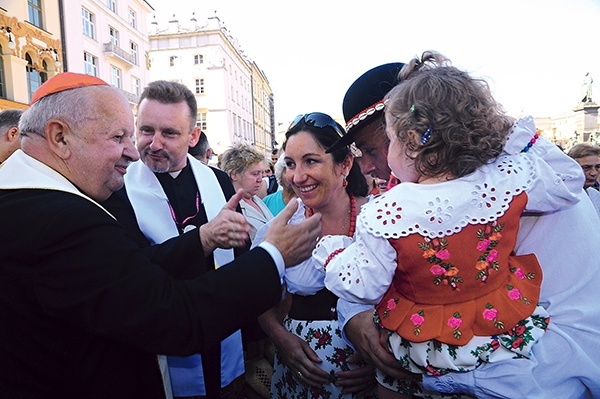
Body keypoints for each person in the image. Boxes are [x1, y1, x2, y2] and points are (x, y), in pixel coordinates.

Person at [0, 72, 322, 398]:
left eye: (168, 133)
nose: (135, 151)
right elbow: (165, 309)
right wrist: (267, 253)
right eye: (122, 136)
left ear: (192, 136)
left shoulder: (30, 200)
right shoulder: (72, 215)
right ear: (59, 137)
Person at [324, 53, 600, 398]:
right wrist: (356, 318)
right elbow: (375, 277)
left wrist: (440, 375)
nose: (364, 168)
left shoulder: (524, 181)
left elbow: (577, 335)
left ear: (419, 135)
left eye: (372, 149)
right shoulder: (405, 200)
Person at [123, 80, 253, 399]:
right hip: (157, 336)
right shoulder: (118, 186)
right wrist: (205, 239)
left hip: (217, 329)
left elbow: (239, 257)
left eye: (169, 133)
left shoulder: (218, 181)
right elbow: (129, 271)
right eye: (146, 130)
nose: (154, 144)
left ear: (193, 136)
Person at [254, 112, 377, 399]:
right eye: (290, 164)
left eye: (311, 161)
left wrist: (381, 361)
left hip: (369, 383)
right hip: (302, 379)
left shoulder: (379, 218)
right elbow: (259, 298)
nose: (297, 177)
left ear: (345, 164)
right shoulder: (284, 227)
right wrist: (281, 339)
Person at [220, 143, 275, 242]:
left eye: (261, 173)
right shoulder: (229, 209)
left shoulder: (256, 199)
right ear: (234, 175)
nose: (260, 179)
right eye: (255, 174)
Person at [567, 142, 600, 216]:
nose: (593, 173)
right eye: (586, 168)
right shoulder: (565, 197)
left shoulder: (595, 195)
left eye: (597, 167)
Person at [262, 151, 297, 216]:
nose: (292, 175)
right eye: (286, 171)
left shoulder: (308, 203)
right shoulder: (267, 202)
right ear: (279, 175)